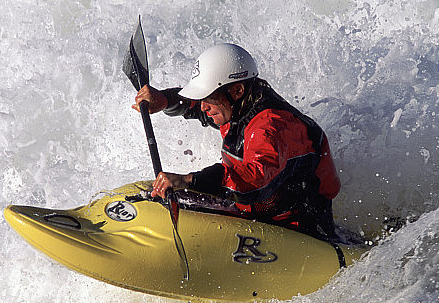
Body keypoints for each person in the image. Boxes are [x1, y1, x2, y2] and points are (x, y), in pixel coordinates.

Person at [133, 43, 340, 240]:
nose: (203, 107)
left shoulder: (271, 126)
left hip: (301, 229)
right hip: (257, 213)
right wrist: (166, 100)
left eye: (208, 98)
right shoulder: (235, 106)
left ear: (237, 91)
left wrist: (188, 181)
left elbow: (254, 181)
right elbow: (196, 105)